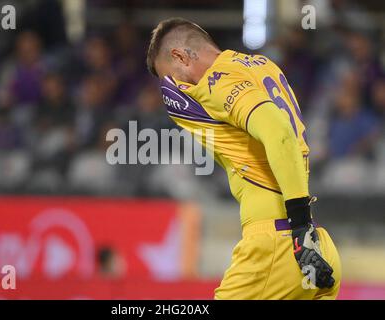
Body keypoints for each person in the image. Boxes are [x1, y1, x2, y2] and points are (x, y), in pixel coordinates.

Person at [146, 18, 341, 299]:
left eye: (172, 75)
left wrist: (298, 225)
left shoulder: (216, 80)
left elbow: (279, 132)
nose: (176, 86)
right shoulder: (262, 66)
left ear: (180, 56)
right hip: (318, 246)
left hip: (280, 244)